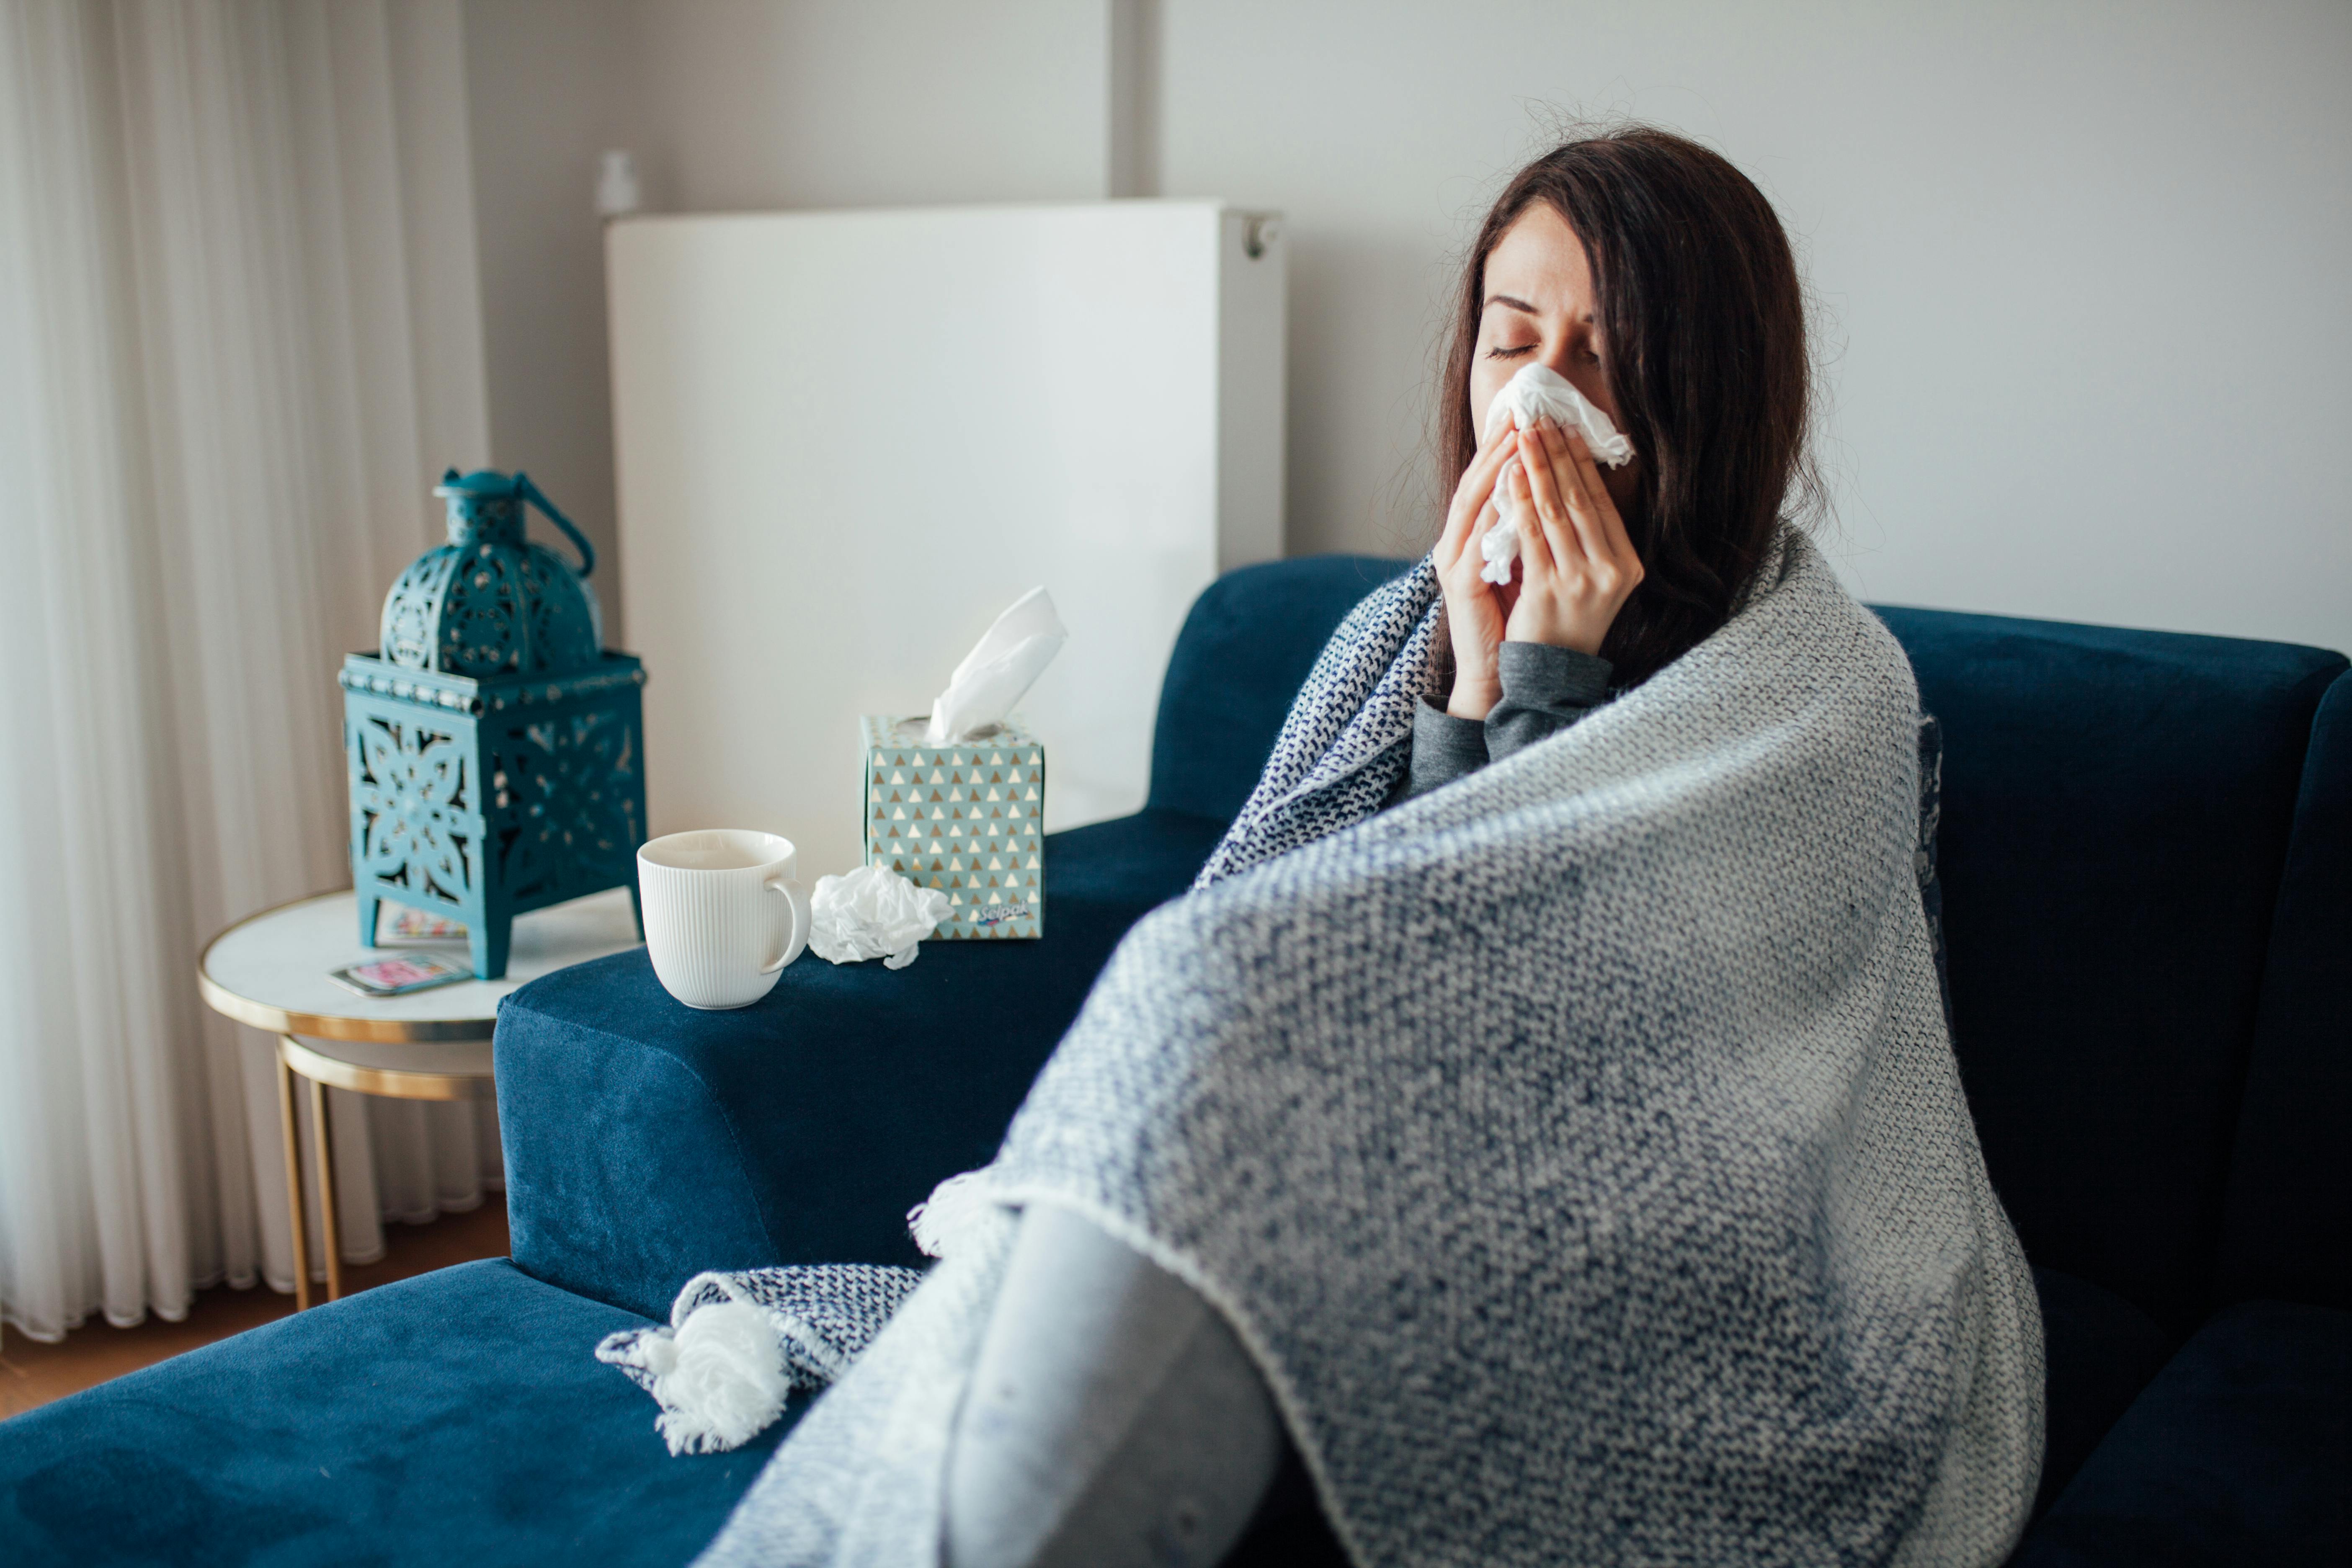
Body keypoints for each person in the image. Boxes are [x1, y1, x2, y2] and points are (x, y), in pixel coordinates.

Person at [944, 125, 1828, 1568]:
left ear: (1712, 393)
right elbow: (1361, 964)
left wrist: (1553, 678)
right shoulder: (1397, 634)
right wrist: (1476, 684)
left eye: (1603, 355)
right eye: (1512, 337)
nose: (1540, 394)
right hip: (1372, 1184)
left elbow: (1570, 1047)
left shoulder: (1809, 696)